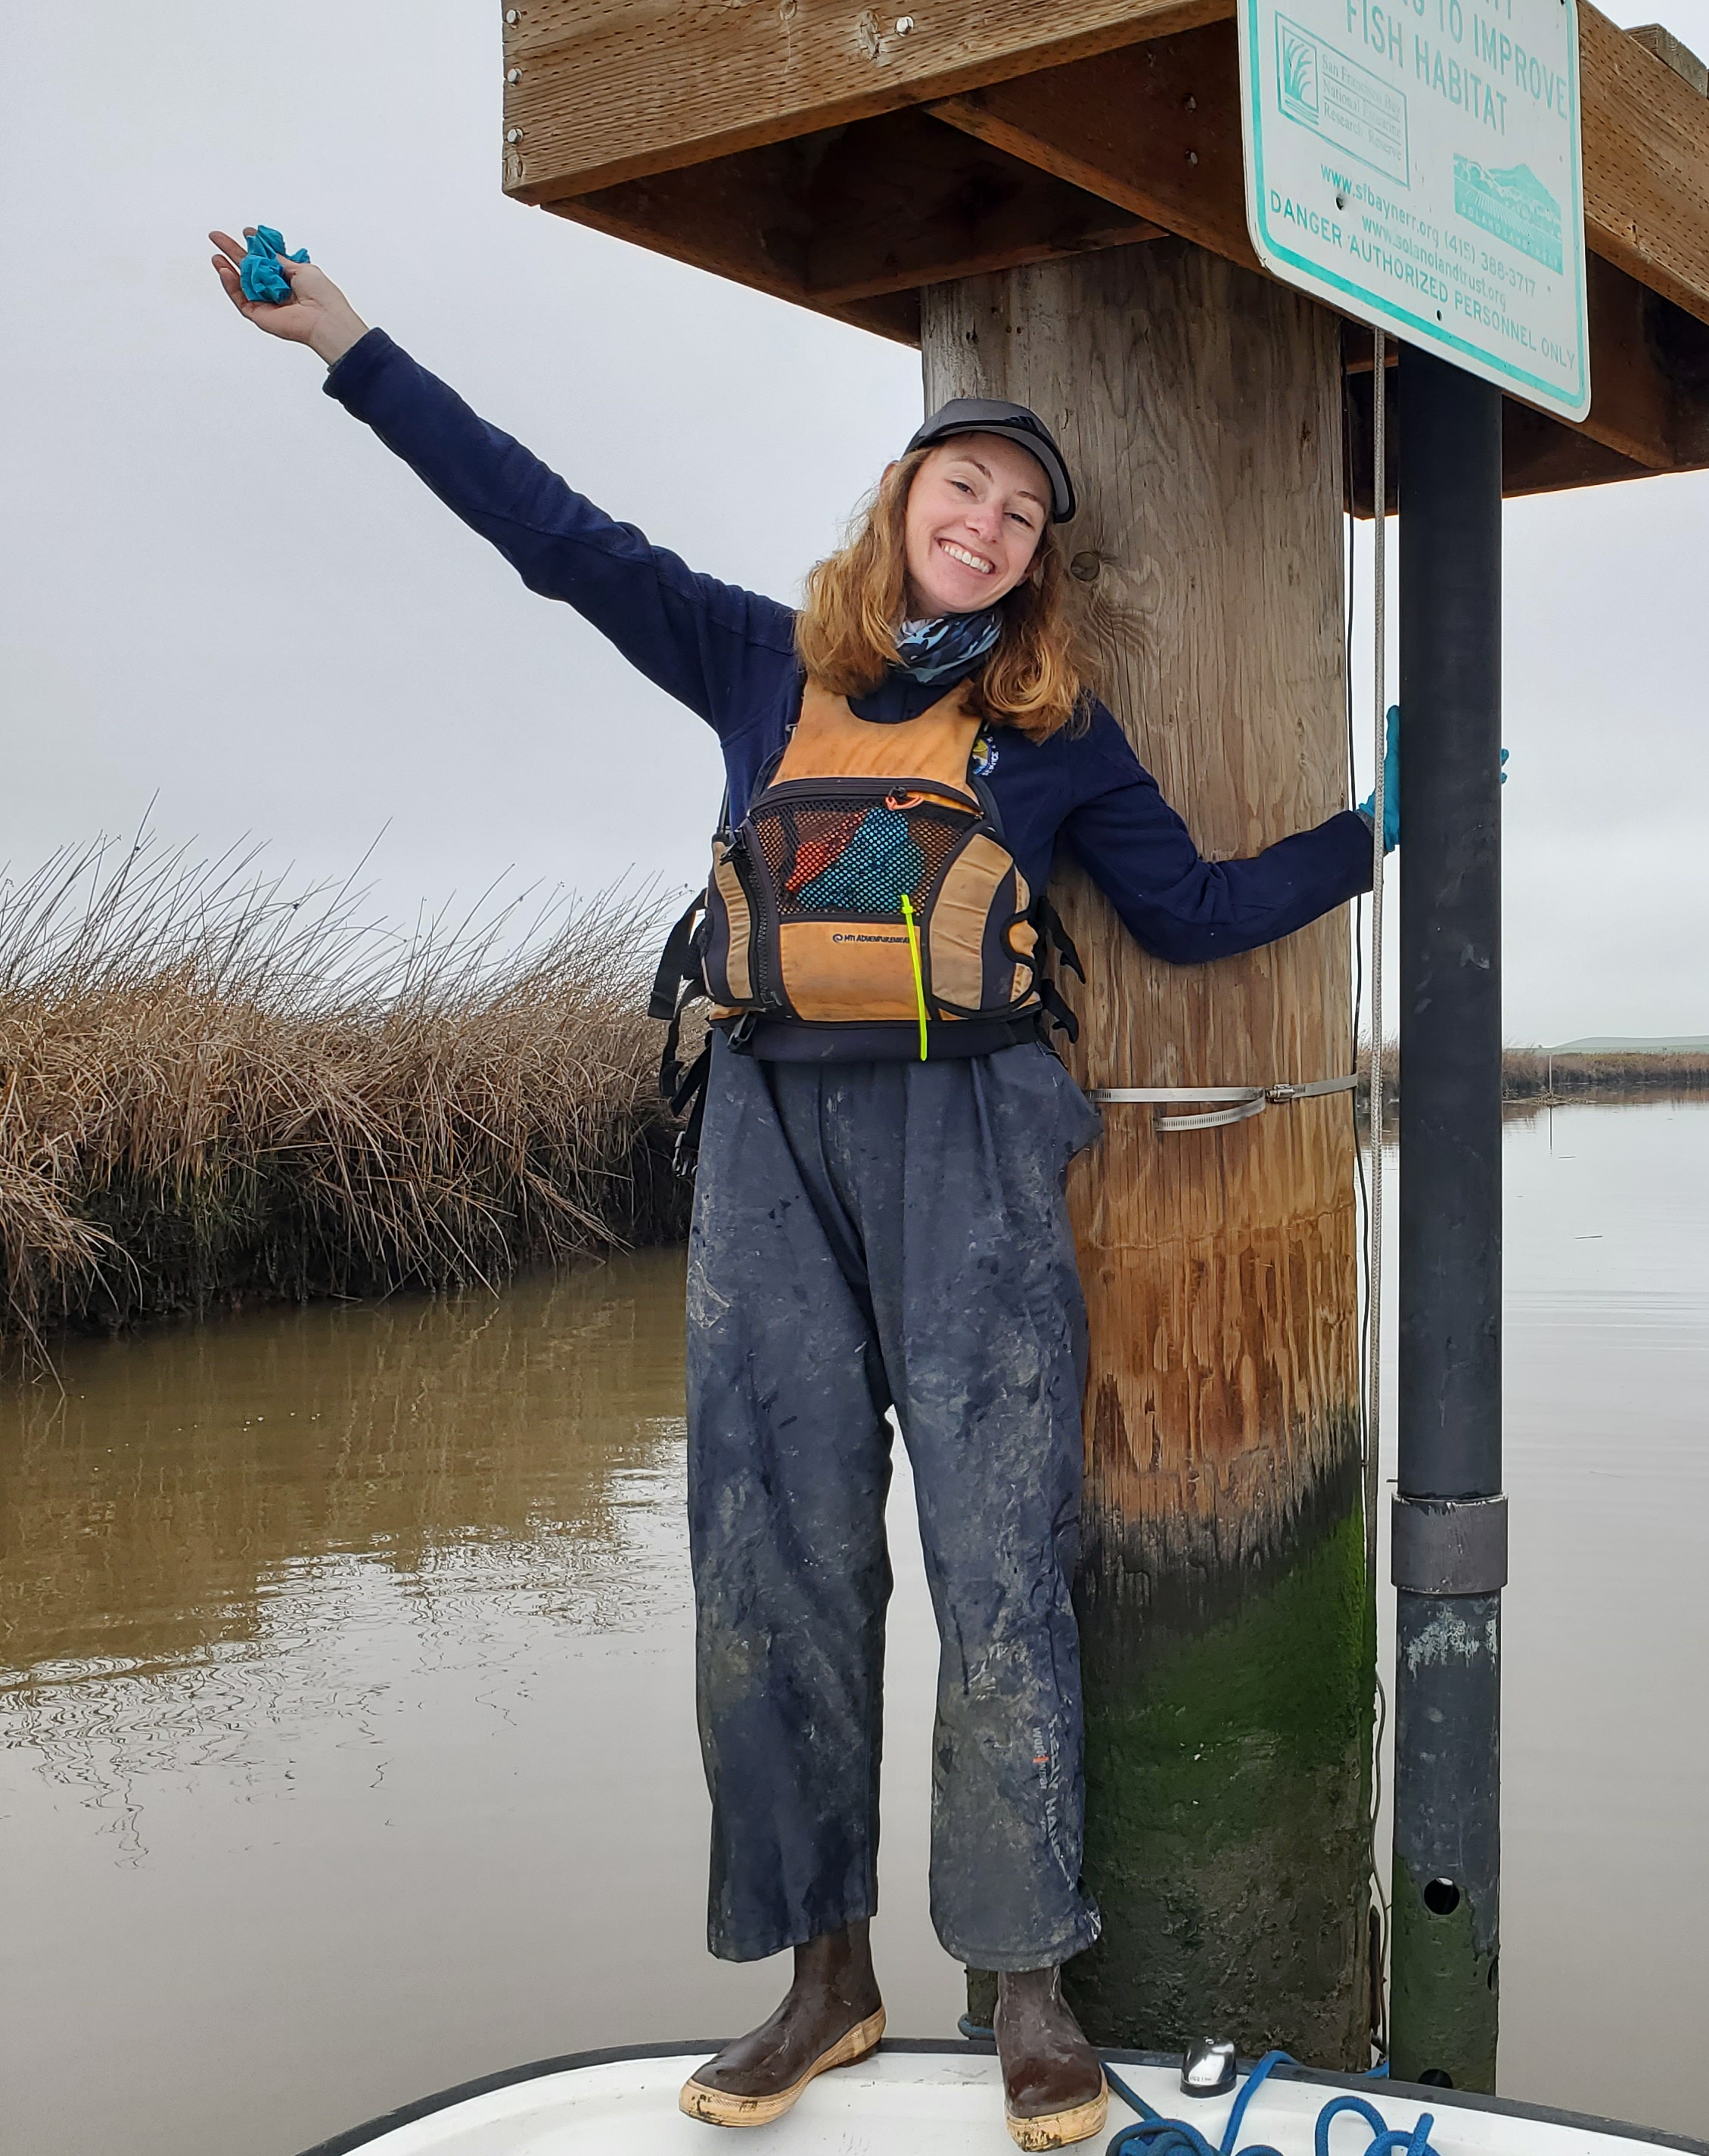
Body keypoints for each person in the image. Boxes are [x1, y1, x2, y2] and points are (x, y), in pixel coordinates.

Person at [209, 231, 1390, 2145]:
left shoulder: (1058, 736)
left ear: (1037, 563)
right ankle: (819, 1981)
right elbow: (554, 533)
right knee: (772, 1553)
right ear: (903, 502)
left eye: (1020, 515)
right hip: (764, 1142)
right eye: (963, 490)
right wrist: (345, 341)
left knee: (1001, 1557)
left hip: (978, 1141)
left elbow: (1189, 913)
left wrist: (1371, 830)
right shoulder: (758, 656)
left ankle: (1030, 1986)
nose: (989, 526)